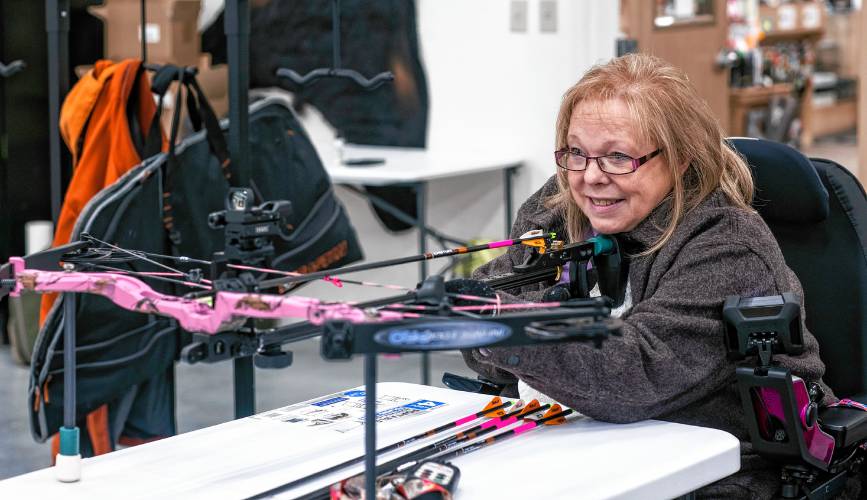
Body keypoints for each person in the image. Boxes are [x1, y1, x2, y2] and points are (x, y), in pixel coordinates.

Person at [460, 53, 858, 498]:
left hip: (726, 471)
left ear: (681, 158)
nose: (590, 177)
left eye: (617, 156)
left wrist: (495, 324)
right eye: (576, 153)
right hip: (586, 445)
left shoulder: (727, 245)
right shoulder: (555, 212)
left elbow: (634, 373)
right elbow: (486, 326)